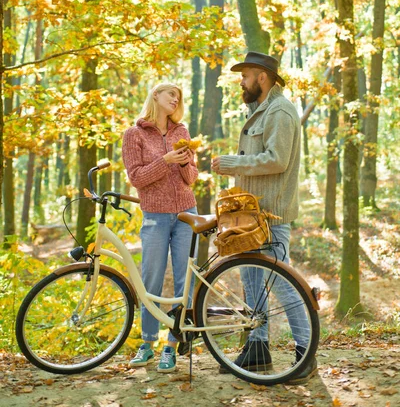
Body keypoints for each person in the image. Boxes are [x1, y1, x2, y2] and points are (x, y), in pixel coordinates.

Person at [211, 52, 318, 384]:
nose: (241, 81)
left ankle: (305, 356)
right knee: (252, 283)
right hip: (250, 216)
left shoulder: (281, 111)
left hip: (271, 215)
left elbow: (276, 160)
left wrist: (231, 163)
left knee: (284, 285)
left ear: (263, 77)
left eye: (246, 75)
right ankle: (258, 349)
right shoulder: (260, 111)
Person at [122, 82, 198, 373]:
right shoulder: (134, 134)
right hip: (154, 216)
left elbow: (191, 178)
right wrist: (166, 161)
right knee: (150, 281)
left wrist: (182, 164)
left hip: (186, 215)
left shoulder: (182, 132)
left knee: (184, 283)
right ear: (155, 95)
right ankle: (147, 343)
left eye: (179, 96)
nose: (176, 99)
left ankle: (173, 345)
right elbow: (137, 177)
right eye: (171, 93)